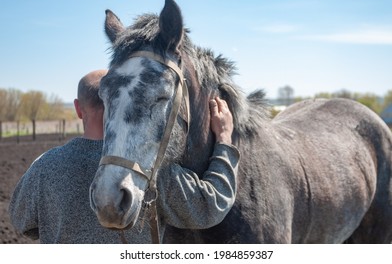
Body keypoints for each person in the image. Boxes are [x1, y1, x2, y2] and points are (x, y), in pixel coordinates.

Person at [9, 70, 240, 243]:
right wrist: (224, 139)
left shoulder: (44, 167)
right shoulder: (151, 171)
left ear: (78, 109)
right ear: (121, 102)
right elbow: (211, 205)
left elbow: (22, 222)